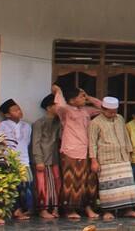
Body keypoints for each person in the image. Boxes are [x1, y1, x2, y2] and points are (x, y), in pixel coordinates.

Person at [50, 85, 102, 220]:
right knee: (71, 181)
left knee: (87, 181)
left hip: (86, 150)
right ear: (72, 100)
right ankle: (69, 209)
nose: (83, 99)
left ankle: (87, 208)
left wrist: (89, 96)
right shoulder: (66, 111)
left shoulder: (86, 111)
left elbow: (103, 108)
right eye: (80, 97)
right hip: (71, 150)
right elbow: (59, 106)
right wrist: (59, 91)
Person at [87, 97, 135, 220]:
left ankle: (127, 210)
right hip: (106, 158)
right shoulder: (95, 122)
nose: (113, 114)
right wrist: (93, 160)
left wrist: (129, 152)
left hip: (122, 156)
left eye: (115, 111)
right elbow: (92, 143)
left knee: (127, 186)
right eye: (110, 112)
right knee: (108, 187)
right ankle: (107, 211)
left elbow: (125, 135)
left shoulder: (120, 118)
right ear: (103, 109)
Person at [0, 100, 34, 219]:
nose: (19, 111)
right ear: (7, 114)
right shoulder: (3, 125)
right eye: (15, 110)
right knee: (14, 186)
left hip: (24, 159)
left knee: (27, 183)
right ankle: (17, 210)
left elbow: (26, 142)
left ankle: (26, 208)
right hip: (10, 159)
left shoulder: (26, 126)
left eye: (19, 109)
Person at [30, 94, 61, 220]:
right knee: (43, 185)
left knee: (56, 183)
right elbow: (35, 143)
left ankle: (54, 208)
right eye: (56, 105)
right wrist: (39, 160)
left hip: (54, 157)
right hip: (43, 158)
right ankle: (43, 209)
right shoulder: (39, 123)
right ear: (49, 107)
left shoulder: (58, 122)